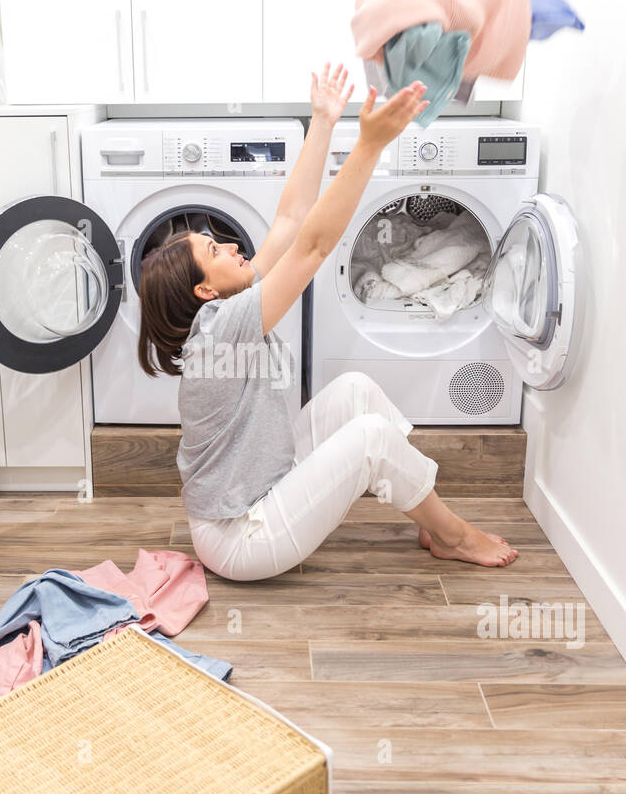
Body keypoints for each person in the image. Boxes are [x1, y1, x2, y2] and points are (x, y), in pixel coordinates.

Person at [136, 63, 519, 582]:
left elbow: (292, 223)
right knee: (367, 438)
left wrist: (322, 119)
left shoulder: (228, 307)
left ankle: (429, 518)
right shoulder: (221, 325)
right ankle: (452, 535)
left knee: (356, 391)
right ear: (204, 290)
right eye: (214, 249)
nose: (230, 244)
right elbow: (313, 246)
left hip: (264, 487)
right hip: (240, 537)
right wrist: (368, 146)